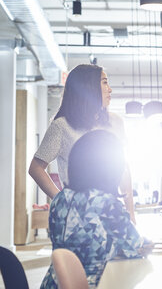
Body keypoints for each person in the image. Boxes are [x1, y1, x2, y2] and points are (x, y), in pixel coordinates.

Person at [40, 130, 152, 288]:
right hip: (92, 284)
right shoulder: (108, 204)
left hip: (54, 283)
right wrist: (148, 243)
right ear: (112, 170)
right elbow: (135, 249)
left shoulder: (60, 199)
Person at [29, 64, 136, 223]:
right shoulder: (62, 126)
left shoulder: (115, 122)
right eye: (105, 82)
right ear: (88, 87)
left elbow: (123, 170)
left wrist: (130, 213)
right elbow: (36, 168)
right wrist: (60, 199)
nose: (110, 89)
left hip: (110, 213)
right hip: (76, 216)